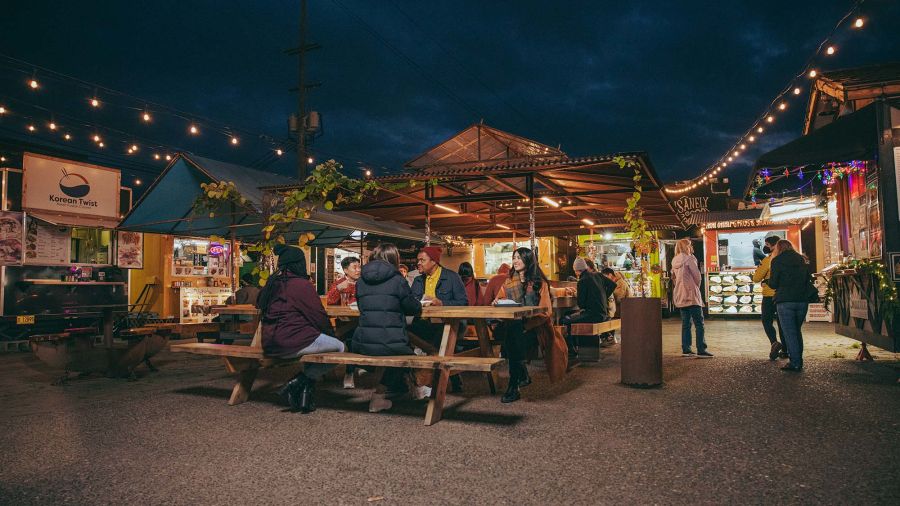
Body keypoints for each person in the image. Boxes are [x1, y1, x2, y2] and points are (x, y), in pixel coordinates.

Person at [257, 244, 344, 413]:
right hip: (292, 341)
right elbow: (318, 317)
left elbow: (259, 304)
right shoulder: (301, 285)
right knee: (340, 347)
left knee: (317, 348)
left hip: (270, 343)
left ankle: (305, 396)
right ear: (300, 264)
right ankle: (297, 381)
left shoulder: (272, 283)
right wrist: (331, 335)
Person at [351, 243, 425, 412]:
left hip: (363, 343)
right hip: (391, 342)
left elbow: (362, 308)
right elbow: (412, 308)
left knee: (400, 351)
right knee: (405, 355)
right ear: (394, 259)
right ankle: (379, 396)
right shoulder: (397, 279)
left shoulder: (361, 281)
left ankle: (414, 389)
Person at [493, 247, 554, 403]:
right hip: (514, 328)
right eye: (514, 257)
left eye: (519, 257)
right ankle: (517, 381)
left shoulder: (539, 283)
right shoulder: (508, 281)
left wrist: (527, 326)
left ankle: (514, 385)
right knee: (513, 333)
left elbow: (546, 312)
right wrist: (497, 302)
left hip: (535, 328)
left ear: (528, 260)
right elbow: (499, 299)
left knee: (513, 337)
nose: (515, 261)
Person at [409, 246, 468, 391]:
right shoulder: (417, 280)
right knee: (401, 332)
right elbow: (411, 302)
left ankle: (428, 382)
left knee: (439, 339)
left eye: (422, 260)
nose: (419, 263)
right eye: (418, 260)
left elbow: (463, 302)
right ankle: (434, 374)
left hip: (448, 324)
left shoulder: (452, 277)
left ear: (434, 261)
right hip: (424, 323)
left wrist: (441, 303)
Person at [766, 239, 814, 372]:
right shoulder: (801, 259)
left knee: (790, 333)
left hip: (785, 300)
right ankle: (799, 360)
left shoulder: (777, 260)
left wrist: (768, 282)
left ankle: (796, 363)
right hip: (802, 300)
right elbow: (807, 279)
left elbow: (774, 283)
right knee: (797, 332)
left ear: (778, 248)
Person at [561, 257, 616, 359]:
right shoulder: (598, 275)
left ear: (576, 271)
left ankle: (571, 351)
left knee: (565, 320)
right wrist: (603, 296)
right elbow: (613, 284)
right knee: (573, 318)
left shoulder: (582, 281)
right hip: (603, 313)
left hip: (593, 315)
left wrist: (576, 294)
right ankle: (575, 349)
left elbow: (581, 304)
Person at [672, 238, 712, 358]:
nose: (691, 247)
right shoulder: (690, 259)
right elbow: (697, 277)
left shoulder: (674, 260)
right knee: (699, 323)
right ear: (687, 247)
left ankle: (686, 349)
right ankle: (701, 349)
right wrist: (696, 288)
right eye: (689, 245)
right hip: (691, 295)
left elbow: (674, 278)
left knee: (686, 324)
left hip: (680, 294)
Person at [753, 236, 786, 360]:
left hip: (769, 295)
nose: (765, 247)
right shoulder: (785, 259)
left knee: (767, 320)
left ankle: (774, 342)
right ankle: (786, 349)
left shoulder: (768, 260)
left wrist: (764, 279)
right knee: (783, 323)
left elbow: (756, 278)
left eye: (766, 244)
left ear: (772, 246)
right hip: (783, 295)